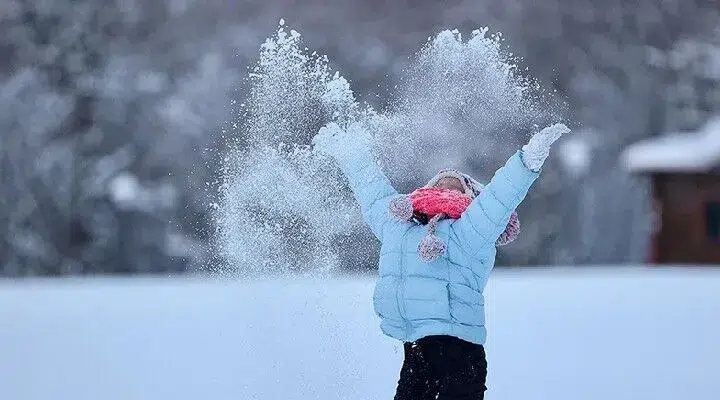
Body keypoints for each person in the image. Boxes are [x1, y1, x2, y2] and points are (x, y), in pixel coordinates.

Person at [312, 121, 569, 400]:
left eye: (458, 184)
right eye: (439, 182)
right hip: (416, 351)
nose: (447, 182)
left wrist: (527, 160)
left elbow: (499, 198)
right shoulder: (399, 227)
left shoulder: (470, 230)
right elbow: (372, 192)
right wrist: (350, 153)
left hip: (460, 354)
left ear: (471, 198)